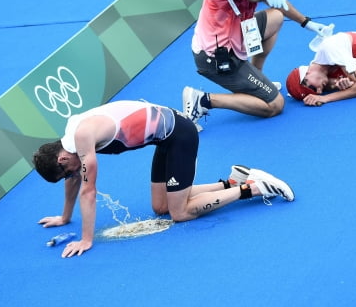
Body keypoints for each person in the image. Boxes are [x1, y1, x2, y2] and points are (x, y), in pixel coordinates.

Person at [32, 100, 294, 258]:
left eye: (69, 171)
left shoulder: (82, 137)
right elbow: (74, 181)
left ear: (61, 159)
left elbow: (88, 191)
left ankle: (255, 187)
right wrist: (65, 217)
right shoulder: (69, 140)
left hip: (180, 135)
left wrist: (86, 239)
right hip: (165, 140)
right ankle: (232, 182)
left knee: (179, 213)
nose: (73, 175)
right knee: (161, 208)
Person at [184, 0, 331, 130]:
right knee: (275, 105)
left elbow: (278, 4)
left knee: (276, 16)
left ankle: (256, 74)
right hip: (216, 57)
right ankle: (203, 100)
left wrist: (306, 22)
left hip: (233, 38)